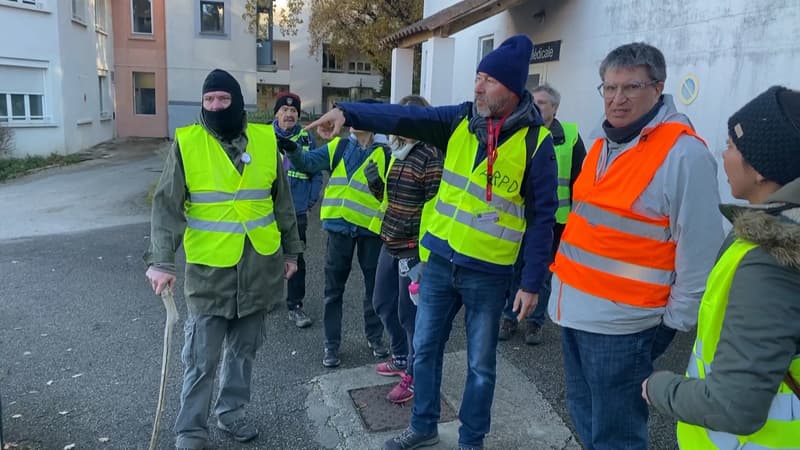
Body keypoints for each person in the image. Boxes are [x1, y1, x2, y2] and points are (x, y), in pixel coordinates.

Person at [299, 34, 557, 450]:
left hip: (488, 274)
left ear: (511, 88)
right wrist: (346, 112)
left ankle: (471, 441)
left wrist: (530, 283)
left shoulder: (536, 143)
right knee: (424, 349)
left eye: (487, 80)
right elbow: (400, 117)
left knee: (481, 366)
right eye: (477, 77)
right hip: (438, 261)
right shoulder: (457, 120)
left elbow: (544, 216)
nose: (476, 87)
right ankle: (423, 428)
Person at [547, 43, 725, 450]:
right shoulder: (600, 142)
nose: (616, 99)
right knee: (589, 422)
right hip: (575, 313)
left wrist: (672, 325)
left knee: (617, 435)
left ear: (658, 88)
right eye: (609, 88)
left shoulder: (684, 155)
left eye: (631, 87)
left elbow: (699, 257)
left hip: (625, 327)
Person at [144, 69, 302, 450]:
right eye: (209, 100)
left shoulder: (266, 140)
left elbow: (282, 202)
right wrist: (162, 261)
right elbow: (167, 205)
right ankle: (191, 429)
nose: (215, 106)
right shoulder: (187, 142)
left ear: (237, 102)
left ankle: (230, 414)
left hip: (258, 266)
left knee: (244, 352)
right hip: (209, 270)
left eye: (223, 99)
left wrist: (293, 250)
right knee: (201, 357)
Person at [643, 85, 800, 449]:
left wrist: (658, 386)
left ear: (760, 168)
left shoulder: (771, 260)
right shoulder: (767, 238)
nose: (722, 153)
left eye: (731, 145)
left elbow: (734, 407)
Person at [279, 99, 390, 368]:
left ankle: (375, 338)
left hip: (370, 231)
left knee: (373, 289)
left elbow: (391, 193)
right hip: (339, 230)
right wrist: (292, 148)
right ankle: (331, 345)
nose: (351, 121)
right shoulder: (338, 146)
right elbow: (306, 163)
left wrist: (378, 186)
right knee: (333, 291)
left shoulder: (387, 153)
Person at [364, 94, 443, 404]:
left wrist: (426, 257)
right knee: (381, 302)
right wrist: (375, 186)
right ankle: (400, 356)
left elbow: (435, 208)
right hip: (391, 242)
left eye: (411, 117)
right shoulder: (400, 152)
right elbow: (395, 200)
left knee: (410, 316)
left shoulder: (431, 154)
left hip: (412, 249)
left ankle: (414, 374)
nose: (403, 123)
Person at [498, 83, 586, 345]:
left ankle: (535, 323)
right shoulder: (521, 132)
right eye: (533, 102)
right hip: (518, 217)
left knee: (544, 275)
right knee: (514, 269)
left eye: (543, 103)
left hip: (554, 222)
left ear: (555, 108)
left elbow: (579, 181)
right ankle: (509, 317)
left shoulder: (570, 135)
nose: (536, 107)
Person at [272, 92, 323, 328]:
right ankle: (268, 298)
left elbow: (315, 172)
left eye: (294, 111)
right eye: (285, 110)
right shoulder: (264, 137)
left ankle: (296, 305)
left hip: (297, 211)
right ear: (276, 114)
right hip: (268, 211)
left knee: (296, 257)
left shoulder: (306, 138)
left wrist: (310, 201)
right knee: (265, 255)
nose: (290, 114)